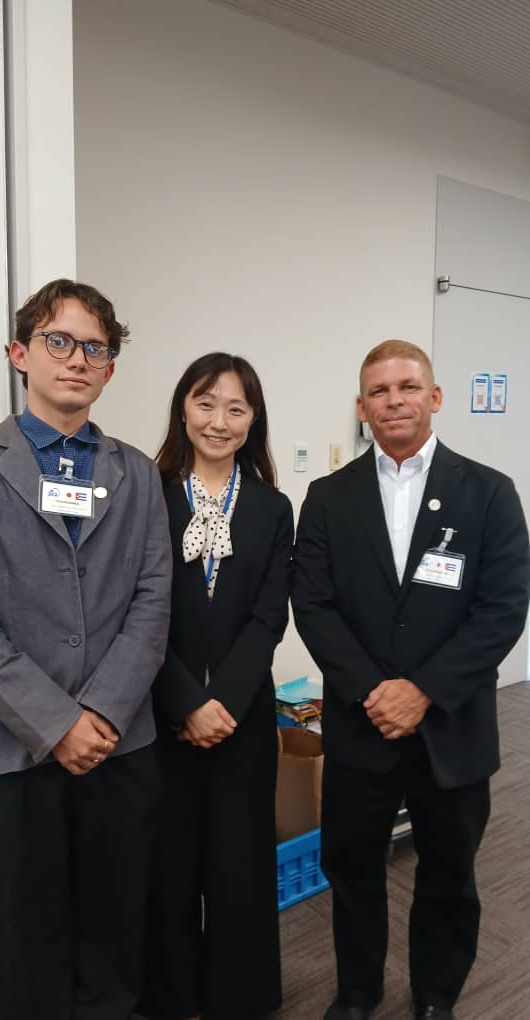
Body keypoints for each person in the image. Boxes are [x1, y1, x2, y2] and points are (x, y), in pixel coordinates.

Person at [292, 340, 530, 1020]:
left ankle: (435, 996)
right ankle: (358, 992)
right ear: (362, 407)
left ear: (434, 397)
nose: (392, 399)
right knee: (354, 871)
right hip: (360, 727)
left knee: (449, 874)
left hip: (451, 728)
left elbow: (502, 607)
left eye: (406, 385)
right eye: (378, 390)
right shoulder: (329, 497)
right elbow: (313, 604)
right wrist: (376, 691)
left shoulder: (488, 492)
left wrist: (422, 690)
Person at [0, 279, 172, 1020]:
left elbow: (152, 602)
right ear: (21, 353)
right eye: (58, 341)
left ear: (109, 369)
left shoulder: (137, 473)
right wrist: (57, 724)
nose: (76, 359)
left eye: (94, 348)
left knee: (113, 931)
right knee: (25, 933)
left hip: (120, 745)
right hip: (9, 752)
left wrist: (100, 715)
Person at [142, 352, 293, 1020]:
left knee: (241, 868)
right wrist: (185, 703)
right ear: (183, 407)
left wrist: (221, 704)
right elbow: (134, 609)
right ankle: (170, 998)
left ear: (253, 418)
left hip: (242, 721)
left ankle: (241, 998)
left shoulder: (271, 506)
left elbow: (269, 615)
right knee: (168, 869)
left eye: (236, 408)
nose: (219, 421)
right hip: (159, 717)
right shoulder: (146, 492)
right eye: (206, 403)